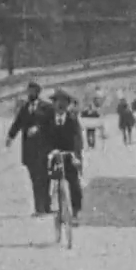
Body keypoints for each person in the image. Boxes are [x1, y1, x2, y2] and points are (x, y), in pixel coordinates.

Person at [7, 81, 53, 216]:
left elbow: (51, 125)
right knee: (35, 178)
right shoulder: (25, 108)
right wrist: (10, 137)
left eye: (32, 92)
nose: (30, 94)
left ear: (38, 93)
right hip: (29, 150)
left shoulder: (47, 108)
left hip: (44, 149)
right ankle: (40, 208)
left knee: (44, 178)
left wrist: (39, 128)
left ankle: (45, 206)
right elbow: (17, 123)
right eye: (29, 91)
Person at [44, 89, 85, 223]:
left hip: (70, 155)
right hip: (54, 155)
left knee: (74, 184)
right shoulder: (48, 120)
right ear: (53, 105)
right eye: (57, 102)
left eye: (63, 103)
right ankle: (53, 207)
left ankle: (76, 212)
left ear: (67, 106)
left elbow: (78, 139)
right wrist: (50, 151)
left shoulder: (72, 121)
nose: (60, 106)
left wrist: (76, 156)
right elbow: (44, 139)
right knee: (49, 181)